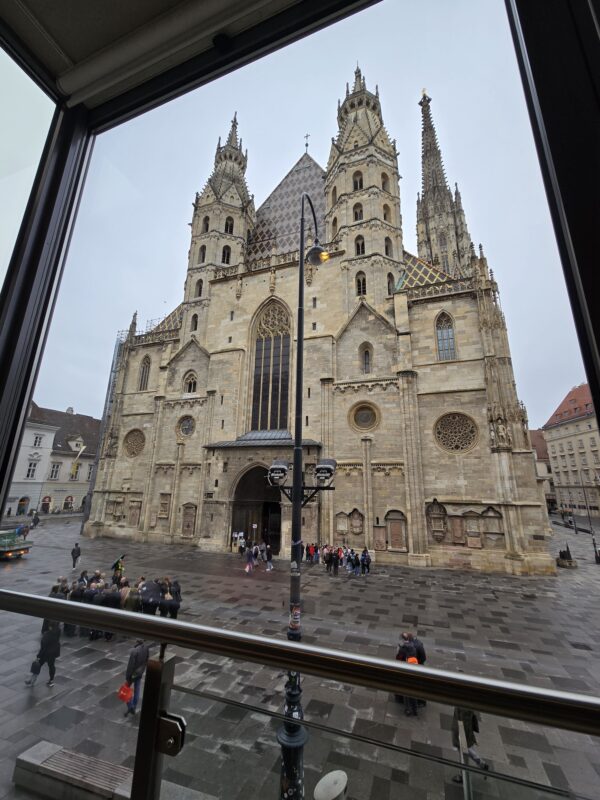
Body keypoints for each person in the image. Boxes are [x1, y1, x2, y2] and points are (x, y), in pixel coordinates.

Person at [451, 706, 489, 782]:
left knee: (463, 752)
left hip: (461, 728)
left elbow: (464, 720)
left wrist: (461, 734)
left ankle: (463, 776)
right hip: (461, 726)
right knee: (465, 750)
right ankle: (482, 764)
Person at [26, 621, 60, 687]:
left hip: (45, 654)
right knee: (51, 666)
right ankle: (51, 680)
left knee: (37, 666)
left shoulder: (46, 635)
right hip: (52, 654)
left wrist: (38, 656)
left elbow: (43, 648)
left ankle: (32, 679)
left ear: (50, 627)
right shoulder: (58, 631)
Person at [124, 640, 150, 717]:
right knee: (137, 689)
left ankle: (130, 706)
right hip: (139, 672)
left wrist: (128, 677)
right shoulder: (146, 648)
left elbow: (130, 666)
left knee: (126, 689)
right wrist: (142, 670)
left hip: (132, 674)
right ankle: (134, 706)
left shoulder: (134, 651)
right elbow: (146, 660)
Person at [396, 634, 419, 716]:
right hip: (415, 674)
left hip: (407, 674)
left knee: (406, 693)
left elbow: (398, 658)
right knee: (413, 693)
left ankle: (408, 710)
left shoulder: (403, 649)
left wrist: (399, 649)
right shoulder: (413, 647)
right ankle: (415, 710)